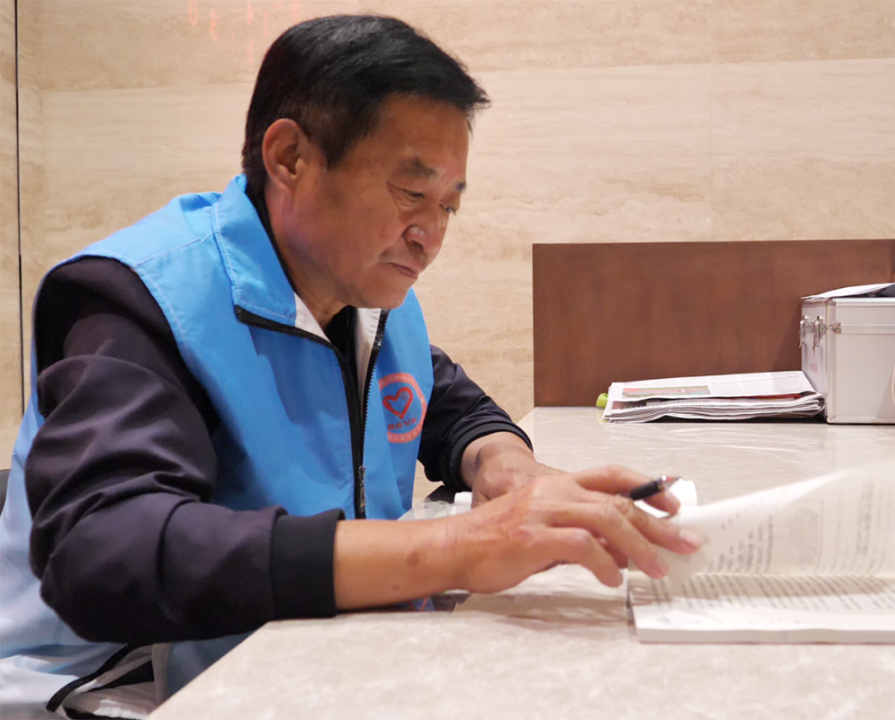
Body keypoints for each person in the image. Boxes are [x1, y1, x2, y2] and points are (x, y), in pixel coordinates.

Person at [0, 14, 701, 718]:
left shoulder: (360, 297)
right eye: (411, 194)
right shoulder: (134, 297)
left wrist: (507, 465)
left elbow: (441, 399)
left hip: (306, 660)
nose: (430, 236)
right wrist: (454, 546)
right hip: (120, 685)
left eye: (449, 206)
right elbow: (104, 552)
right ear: (290, 158)